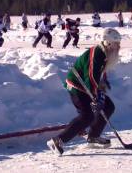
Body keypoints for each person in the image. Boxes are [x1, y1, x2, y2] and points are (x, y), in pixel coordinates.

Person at [47, 28, 121, 156]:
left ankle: (93, 137)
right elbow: (91, 76)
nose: (118, 47)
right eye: (116, 43)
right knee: (87, 116)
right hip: (77, 86)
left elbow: (99, 72)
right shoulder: (97, 53)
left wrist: (102, 83)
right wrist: (95, 96)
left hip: (87, 85)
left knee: (108, 106)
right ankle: (57, 141)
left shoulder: (105, 52)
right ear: (108, 43)